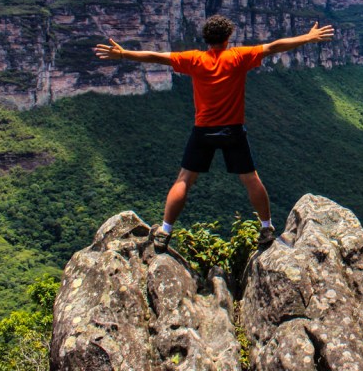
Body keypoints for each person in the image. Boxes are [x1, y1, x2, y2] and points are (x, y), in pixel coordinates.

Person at [94, 15, 334, 251]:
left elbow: (157, 57)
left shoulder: (194, 60)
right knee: (251, 179)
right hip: (233, 131)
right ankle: (266, 228)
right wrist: (308, 37)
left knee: (184, 180)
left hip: (203, 130)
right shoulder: (238, 56)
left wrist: (123, 53)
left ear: (206, 39)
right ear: (228, 38)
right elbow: (274, 46)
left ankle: (165, 231)